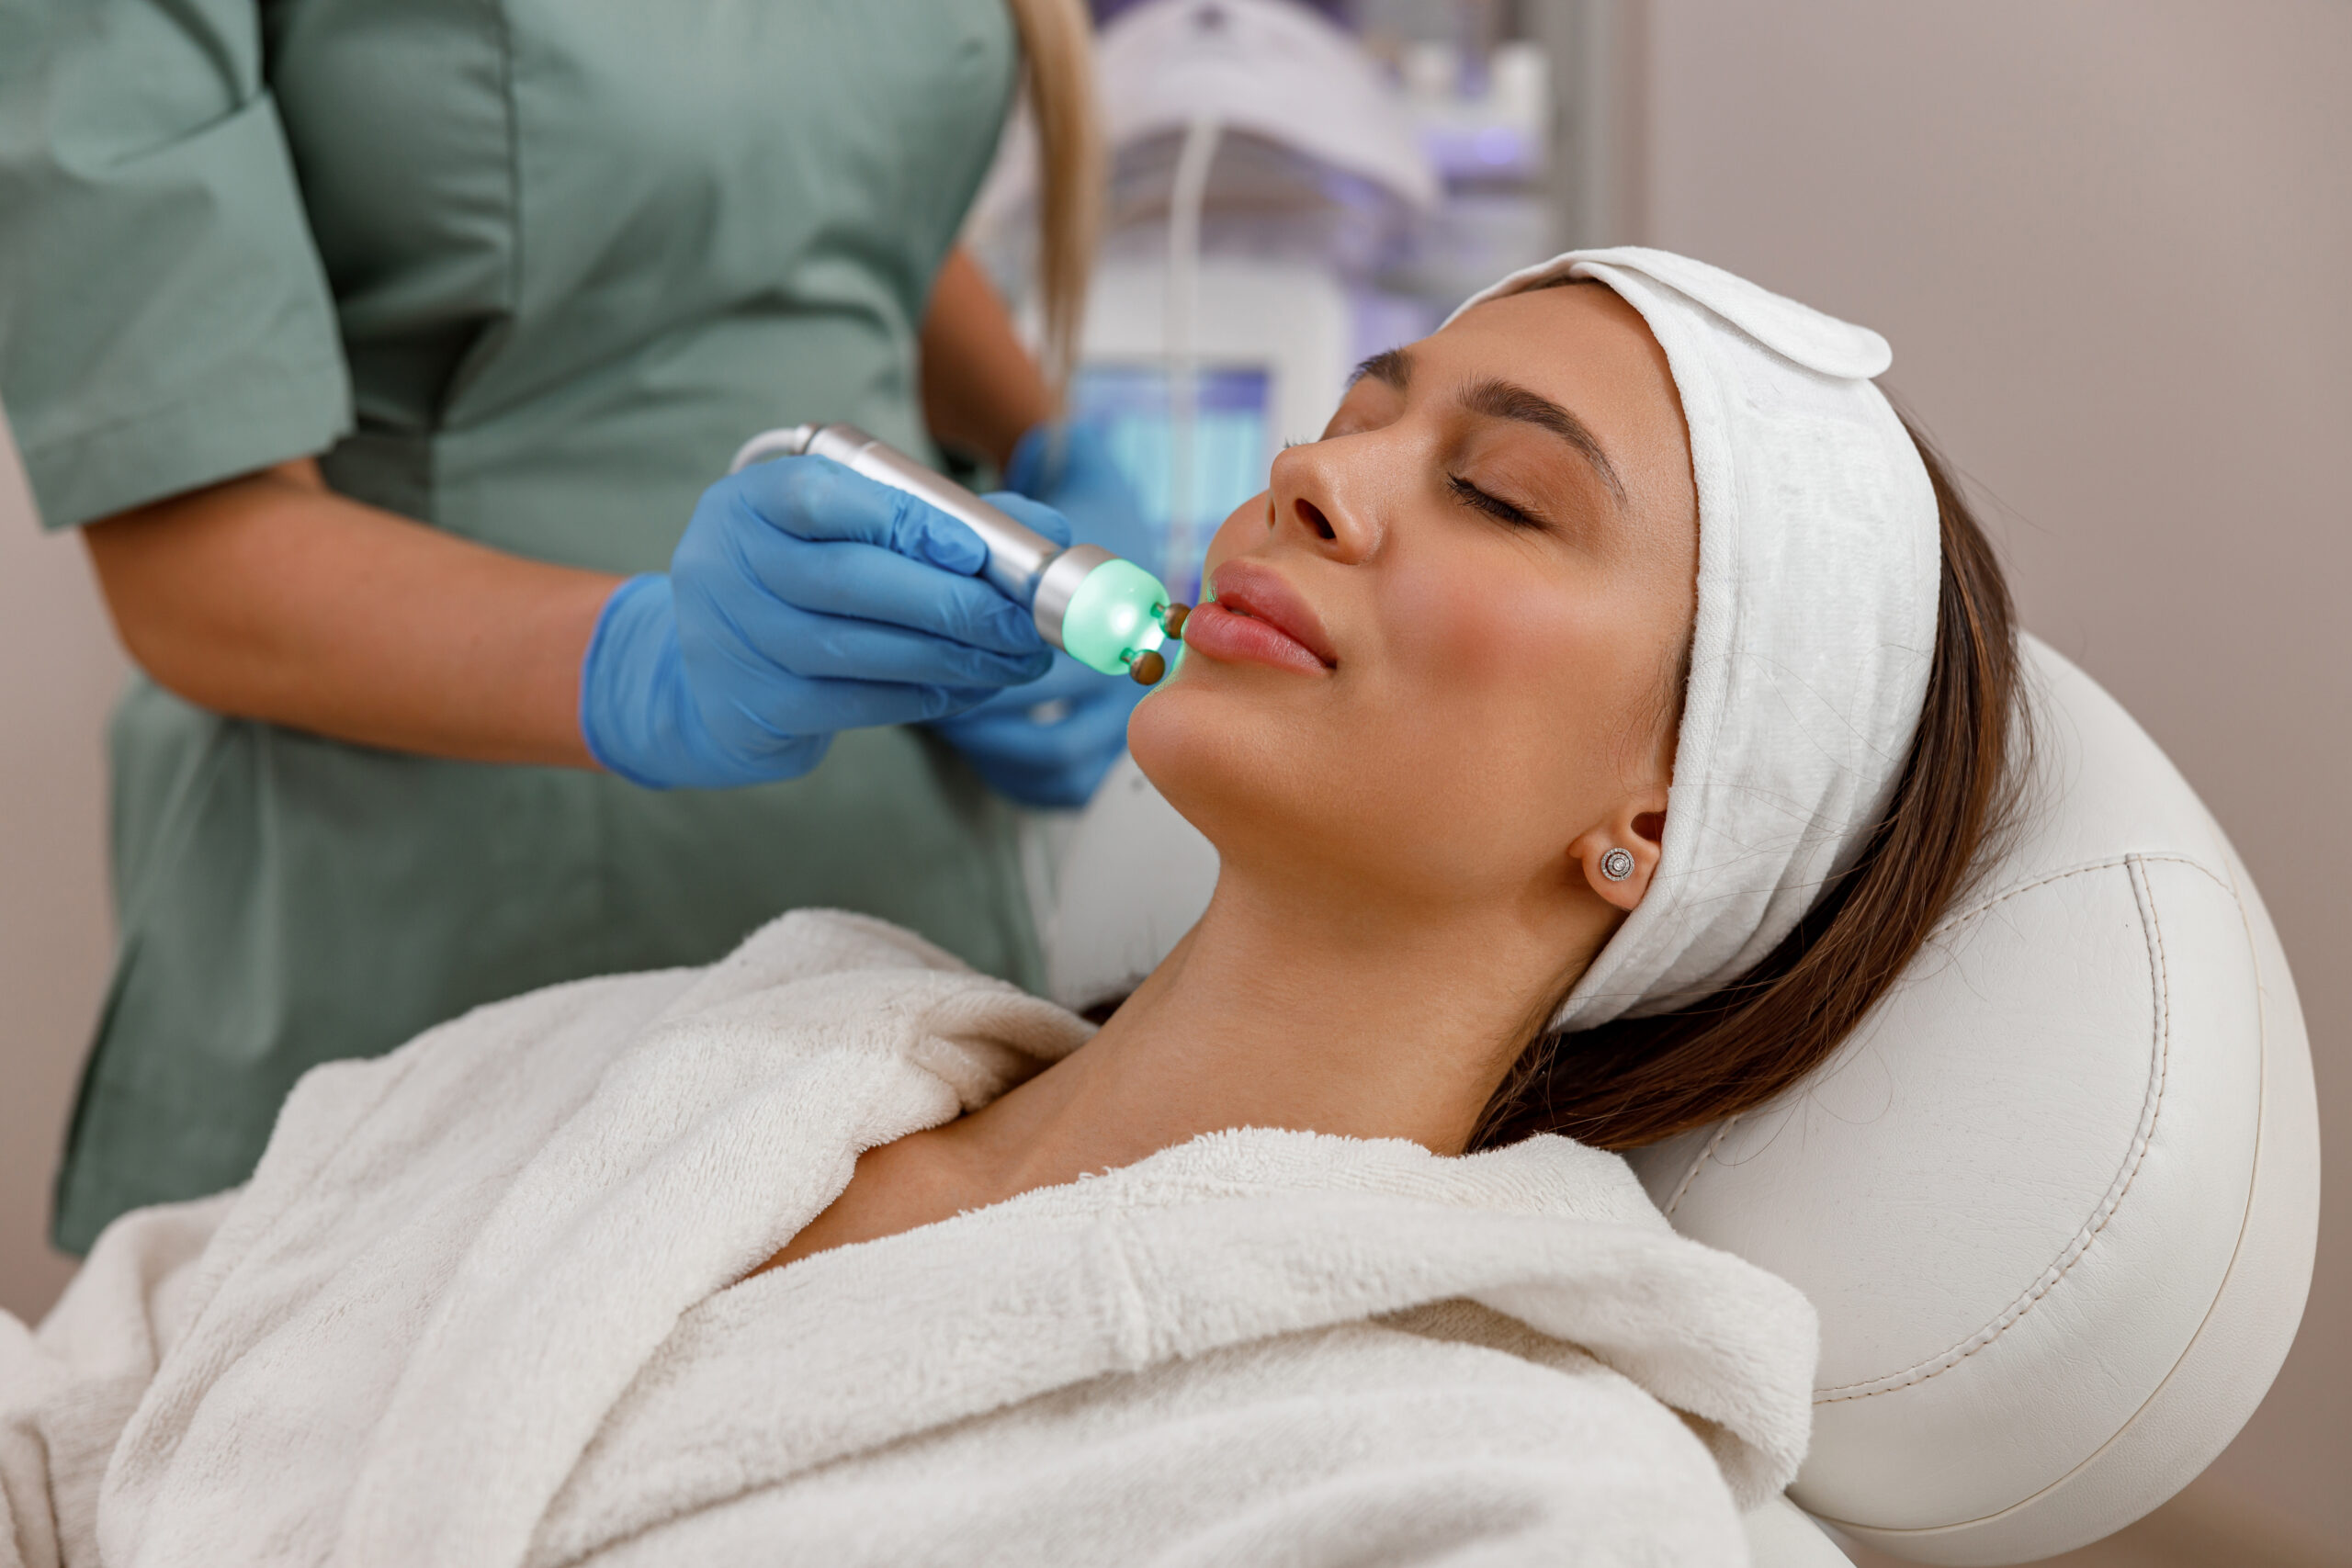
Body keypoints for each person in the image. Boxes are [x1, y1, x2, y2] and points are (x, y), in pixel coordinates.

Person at [0, 249, 2022, 1564]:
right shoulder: (662, 1052)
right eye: (1356, 410)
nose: (1313, 476)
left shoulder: (1509, 1497)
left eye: (1499, 492)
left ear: (1664, 813)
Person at [0, 0, 1146, 1253]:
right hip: (424, 916)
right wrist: (638, 668)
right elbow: (191, 559)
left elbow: (812, 178)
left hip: (899, 896)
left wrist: (1050, 446)